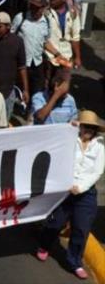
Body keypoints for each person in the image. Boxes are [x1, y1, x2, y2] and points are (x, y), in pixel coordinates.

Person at [36, 110, 105, 280]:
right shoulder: (69, 139)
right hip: (65, 189)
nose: (88, 129)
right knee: (55, 222)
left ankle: (74, 261)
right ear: (79, 126)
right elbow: (53, 141)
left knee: (81, 229)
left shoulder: (100, 146)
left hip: (85, 193)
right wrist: (68, 127)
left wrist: (80, 187)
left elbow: (97, 172)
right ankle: (44, 245)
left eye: (91, 127)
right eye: (85, 126)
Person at [12, 0, 61, 96]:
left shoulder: (46, 21)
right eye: (32, 6)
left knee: (37, 93)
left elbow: (45, 42)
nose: (33, 9)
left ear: (43, 8)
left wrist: (57, 54)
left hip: (38, 64)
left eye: (37, 7)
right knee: (20, 92)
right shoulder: (21, 18)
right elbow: (10, 38)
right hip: (21, 65)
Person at [45, 0, 82, 71]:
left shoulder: (73, 14)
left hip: (65, 57)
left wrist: (77, 57)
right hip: (48, 57)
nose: (51, 0)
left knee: (63, 82)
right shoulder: (45, 13)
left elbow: (75, 37)